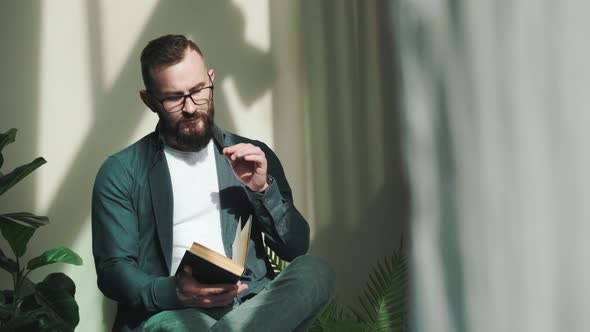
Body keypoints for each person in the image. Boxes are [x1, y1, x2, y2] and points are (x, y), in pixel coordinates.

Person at [91, 34, 335, 331]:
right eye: (174, 98)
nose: (191, 107)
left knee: (316, 271)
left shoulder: (251, 155)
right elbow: (113, 271)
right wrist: (176, 291)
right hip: (175, 312)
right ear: (149, 100)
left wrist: (262, 190)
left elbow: (295, 247)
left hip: (251, 303)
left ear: (211, 79)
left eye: (198, 91)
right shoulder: (120, 172)